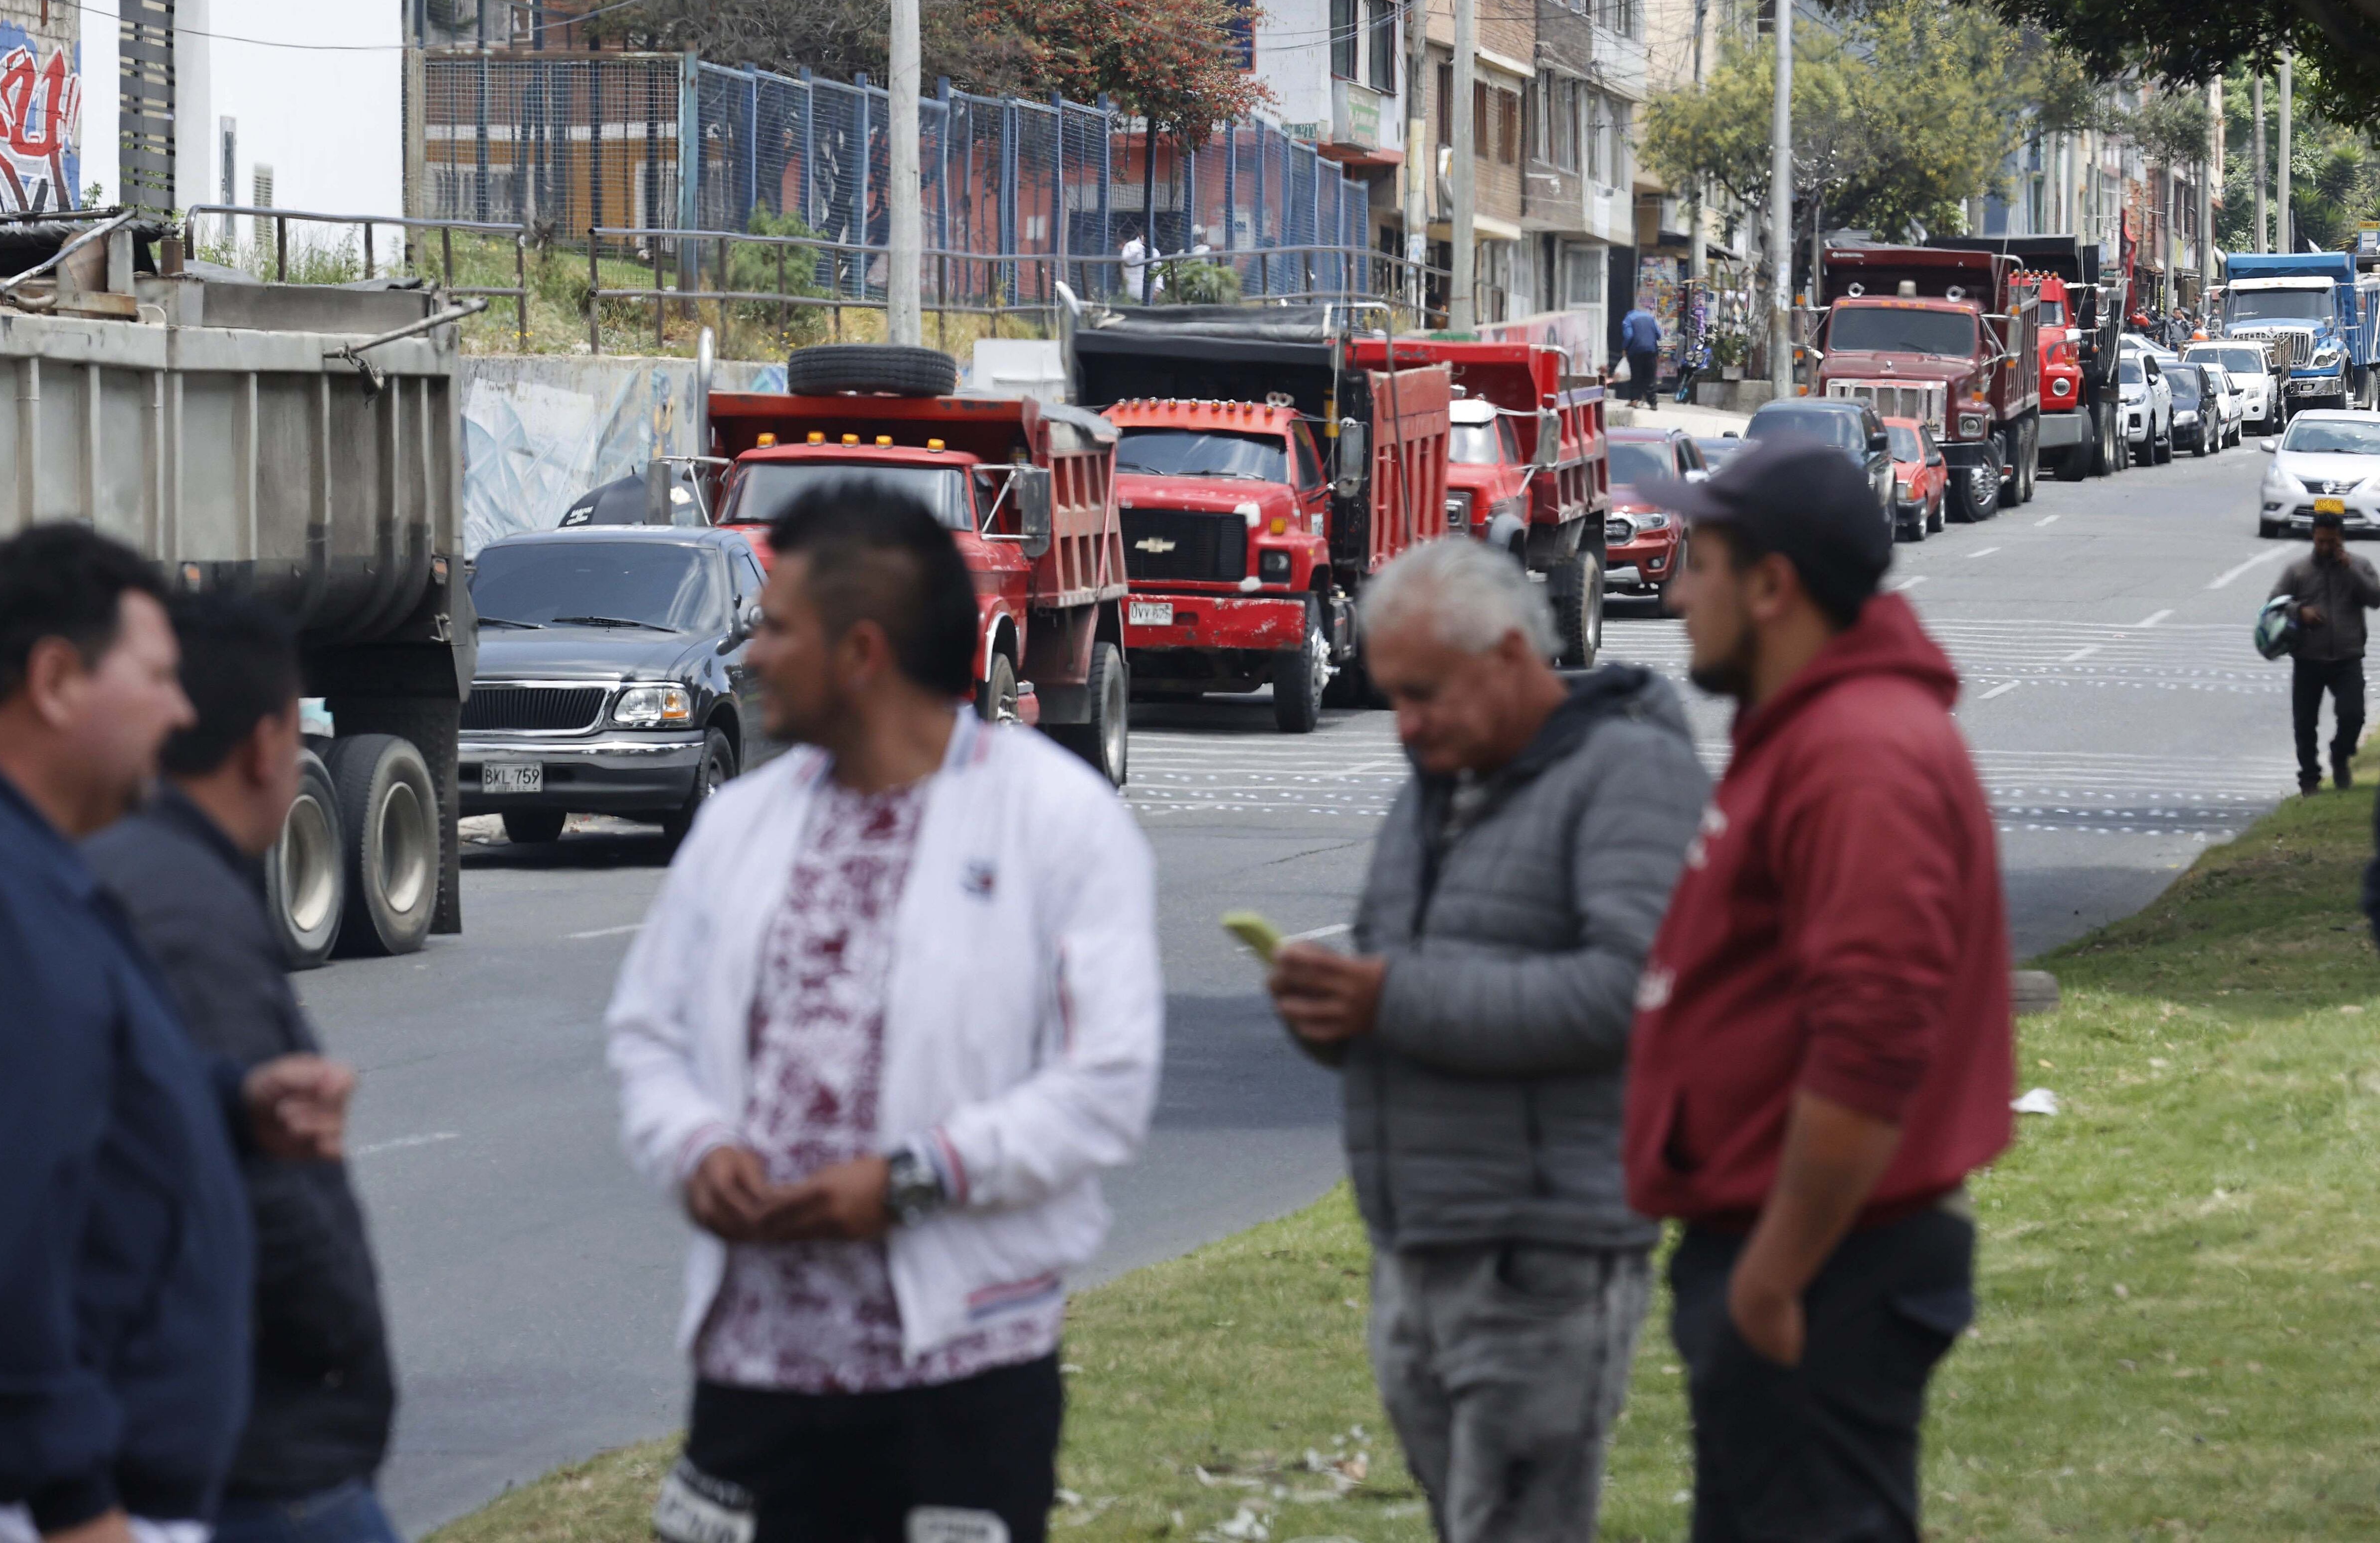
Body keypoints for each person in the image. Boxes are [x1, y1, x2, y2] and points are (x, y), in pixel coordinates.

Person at [606, 482, 1163, 1543]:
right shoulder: (743, 826)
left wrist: (914, 1178)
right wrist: (696, 1146)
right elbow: (649, 1031)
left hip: (961, 1370)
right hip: (755, 1365)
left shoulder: (1059, 824)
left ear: (860, 652)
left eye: (775, 626)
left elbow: (1107, 1085)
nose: (753, 653)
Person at [0, 525, 354, 1543]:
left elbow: (40, 1091)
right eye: (156, 677)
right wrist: (70, 1500)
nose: (183, 711)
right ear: (57, 680)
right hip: (4, 1505)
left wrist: (227, 1105)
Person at [1265, 540, 1708, 1543]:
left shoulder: (1629, 775)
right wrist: (1335, 1015)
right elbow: (1404, 983)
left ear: (1510, 656)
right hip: (1423, 1238)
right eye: (1392, 698)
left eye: (1424, 694)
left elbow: (1624, 996)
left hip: (1542, 1248)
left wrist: (1388, 1001)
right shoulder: (1438, 779)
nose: (1405, 726)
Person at [1623, 443, 2015, 1543]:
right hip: (1799, 1249)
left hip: (1828, 1262)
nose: (1673, 592)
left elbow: (1872, 1037)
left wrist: (1770, 1275)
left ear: (1772, 586)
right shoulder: (1815, 729)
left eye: (1696, 561)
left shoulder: (1857, 752)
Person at [85, 596, 400, 1543]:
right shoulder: (189, 908)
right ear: (269, 746)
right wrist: (341, 1352)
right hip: (265, 1457)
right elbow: (271, 1185)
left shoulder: (131, 869)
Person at [2272, 504, 2380, 794]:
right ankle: (2309, 778)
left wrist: (2352, 570)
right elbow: (2273, 607)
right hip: (2308, 659)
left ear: (2341, 539)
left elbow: (2375, 598)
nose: (2326, 547)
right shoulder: (2298, 571)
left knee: (2353, 715)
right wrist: (2299, 612)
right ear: (2313, 538)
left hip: (2347, 658)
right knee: (2305, 724)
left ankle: (2341, 755)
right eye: (2320, 541)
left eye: (2331, 541)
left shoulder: (2359, 566)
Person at [1619, 303, 1665, 409]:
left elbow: (1629, 335)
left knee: (1636, 376)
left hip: (1636, 352)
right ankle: (1653, 403)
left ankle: (1634, 400)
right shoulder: (1650, 318)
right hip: (1651, 351)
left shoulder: (1628, 319)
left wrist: (1625, 348)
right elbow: (1659, 334)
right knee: (1650, 377)